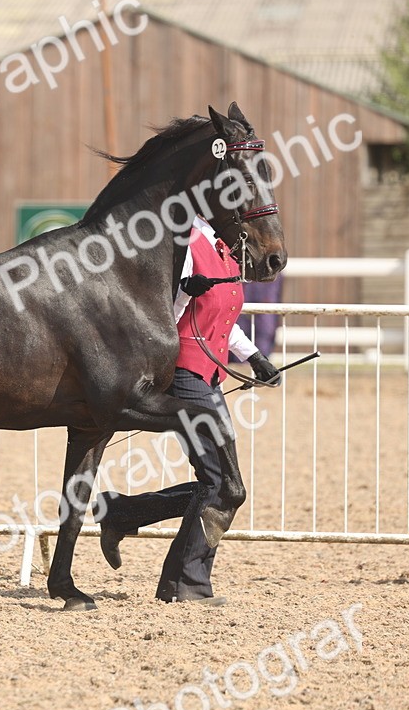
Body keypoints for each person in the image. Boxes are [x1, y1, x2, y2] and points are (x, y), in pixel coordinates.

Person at [97, 215, 280, 605]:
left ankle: (124, 512)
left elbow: (221, 316)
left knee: (222, 484)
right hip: (184, 373)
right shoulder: (186, 243)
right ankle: (184, 584)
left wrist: (255, 357)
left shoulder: (224, 249)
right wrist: (182, 293)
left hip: (210, 375)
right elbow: (160, 315)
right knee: (221, 483)